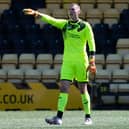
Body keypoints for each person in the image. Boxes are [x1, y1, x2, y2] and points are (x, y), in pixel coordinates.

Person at [23, 3, 96, 125]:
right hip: (67, 62)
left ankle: (88, 117)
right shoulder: (65, 25)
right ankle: (58, 118)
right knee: (63, 87)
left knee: (83, 90)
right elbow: (52, 20)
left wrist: (92, 60)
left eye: (73, 10)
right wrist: (38, 14)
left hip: (81, 62)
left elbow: (91, 42)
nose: (71, 12)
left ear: (79, 12)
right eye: (70, 10)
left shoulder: (85, 26)